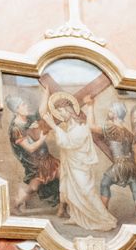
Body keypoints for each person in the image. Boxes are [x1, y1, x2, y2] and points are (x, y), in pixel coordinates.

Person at [41, 92, 118, 232]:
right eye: (58, 112)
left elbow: (67, 143)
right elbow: (66, 142)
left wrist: (53, 126)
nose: (60, 115)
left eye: (61, 111)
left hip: (80, 167)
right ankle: (77, 217)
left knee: (86, 192)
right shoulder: (70, 127)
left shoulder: (80, 127)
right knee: (72, 191)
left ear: (69, 111)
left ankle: (104, 219)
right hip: (71, 165)